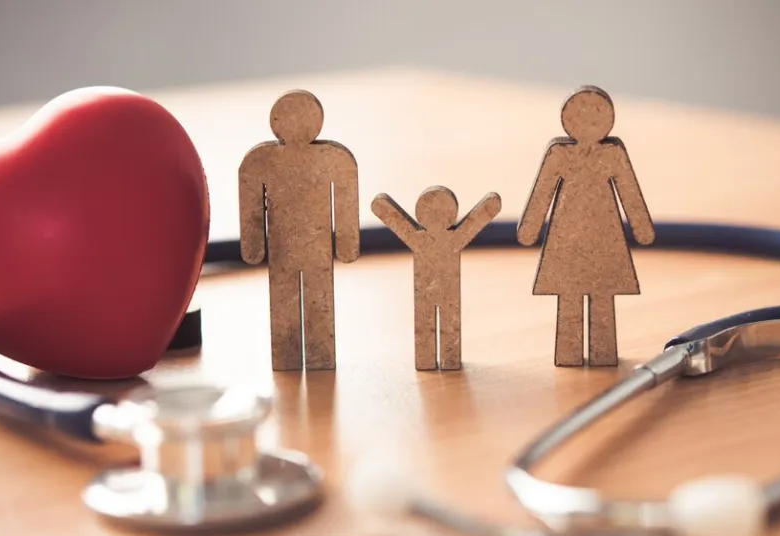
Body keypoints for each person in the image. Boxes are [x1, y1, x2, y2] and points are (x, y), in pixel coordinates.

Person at [516, 86, 655, 367]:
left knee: (602, 294)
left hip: (605, 236)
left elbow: (629, 193)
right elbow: (542, 191)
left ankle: (603, 354)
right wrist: (529, 229)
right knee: (569, 294)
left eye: (596, 115)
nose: (588, 123)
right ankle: (569, 354)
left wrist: (642, 228)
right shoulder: (559, 155)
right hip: (566, 236)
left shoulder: (612, 155)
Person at [239, 90, 359, 371]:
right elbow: (251, 205)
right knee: (286, 302)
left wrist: (346, 244)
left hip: (315, 248)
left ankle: (316, 354)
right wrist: (253, 246)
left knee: (317, 298)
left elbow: (344, 200)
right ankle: (292, 354)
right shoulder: (260, 161)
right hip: (285, 248)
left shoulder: (333, 159)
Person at [371, 187, 502, 370]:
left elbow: (392, 217)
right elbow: (478, 219)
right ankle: (436, 360)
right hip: (432, 292)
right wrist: (491, 206)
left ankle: (441, 360)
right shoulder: (440, 239)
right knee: (432, 324)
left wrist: (381, 207)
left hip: (441, 292)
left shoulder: (431, 239)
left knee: (444, 324)